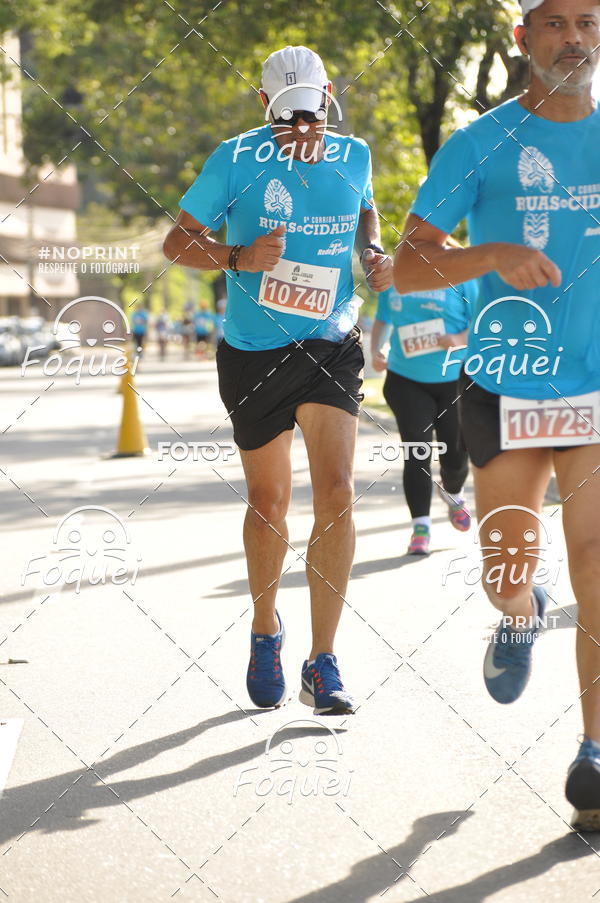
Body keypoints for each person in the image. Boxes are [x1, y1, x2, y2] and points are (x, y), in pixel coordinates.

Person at [394, 0, 600, 828]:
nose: (575, 38)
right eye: (556, 24)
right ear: (523, 38)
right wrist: (491, 256)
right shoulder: (479, 143)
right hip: (506, 382)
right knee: (506, 570)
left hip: (596, 385)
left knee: (595, 558)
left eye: (589, 22)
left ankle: (594, 750)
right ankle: (520, 611)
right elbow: (409, 265)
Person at [163, 45, 392, 715]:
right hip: (253, 351)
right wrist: (237, 255)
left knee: (338, 491)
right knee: (269, 502)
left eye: (311, 114)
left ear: (328, 99)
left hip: (330, 342)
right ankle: (266, 629)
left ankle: (323, 661)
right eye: (287, 116)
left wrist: (372, 249)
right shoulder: (233, 160)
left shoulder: (355, 155)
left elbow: (367, 209)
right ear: (265, 105)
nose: (301, 128)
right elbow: (177, 242)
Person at [371, 277, 477, 555]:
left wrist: (458, 339)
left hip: (454, 378)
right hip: (406, 379)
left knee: (455, 455)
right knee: (417, 451)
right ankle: (421, 527)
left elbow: (482, 321)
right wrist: (376, 350)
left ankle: (453, 492)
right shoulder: (395, 274)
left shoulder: (461, 274)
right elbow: (383, 318)